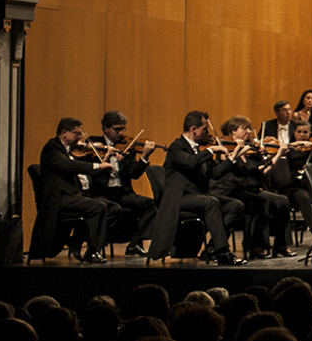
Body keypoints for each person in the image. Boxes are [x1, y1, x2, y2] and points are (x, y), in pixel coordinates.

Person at [149, 111, 243, 265]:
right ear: (193, 129)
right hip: (178, 198)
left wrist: (234, 156)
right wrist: (211, 150)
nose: (208, 133)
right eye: (205, 129)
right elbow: (190, 162)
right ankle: (223, 252)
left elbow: (216, 173)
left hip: (198, 197)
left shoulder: (200, 150)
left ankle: (212, 249)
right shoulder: (176, 147)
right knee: (211, 202)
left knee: (235, 205)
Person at [31, 117, 113, 262]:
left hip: (72, 195)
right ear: (64, 133)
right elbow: (69, 166)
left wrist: (104, 159)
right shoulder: (52, 148)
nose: (80, 138)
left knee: (112, 207)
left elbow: (81, 166)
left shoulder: (70, 150)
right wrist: (97, 166)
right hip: (59, 198)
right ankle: (92, 252)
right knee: (98, 207)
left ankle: (77, 241)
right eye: (76, 134)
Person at [210, 116, 291, 259]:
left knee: (282, 201)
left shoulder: (251, 152)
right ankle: (255, 245)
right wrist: (241, 148)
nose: (248, 131)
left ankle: (281, 245)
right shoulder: (224, 149)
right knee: (258, 202)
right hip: (232, 191)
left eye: (249, 128)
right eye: (244, 128)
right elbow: (228, 160)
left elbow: (264, 169)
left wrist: (279, 154)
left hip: (251, 190)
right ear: (233, 132)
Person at [88, 110, 157, 257]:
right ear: (105, 128)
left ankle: (135, 243)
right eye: (117, 129)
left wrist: (144, 157)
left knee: (151, 204)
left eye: (123, 129)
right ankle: (94, 248)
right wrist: (106, 158)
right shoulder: (94, 146)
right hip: (102, 193)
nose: (120, 133)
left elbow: (134, 174)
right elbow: (91, 173)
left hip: (122, 192)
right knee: (114, 208)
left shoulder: (126, 147)